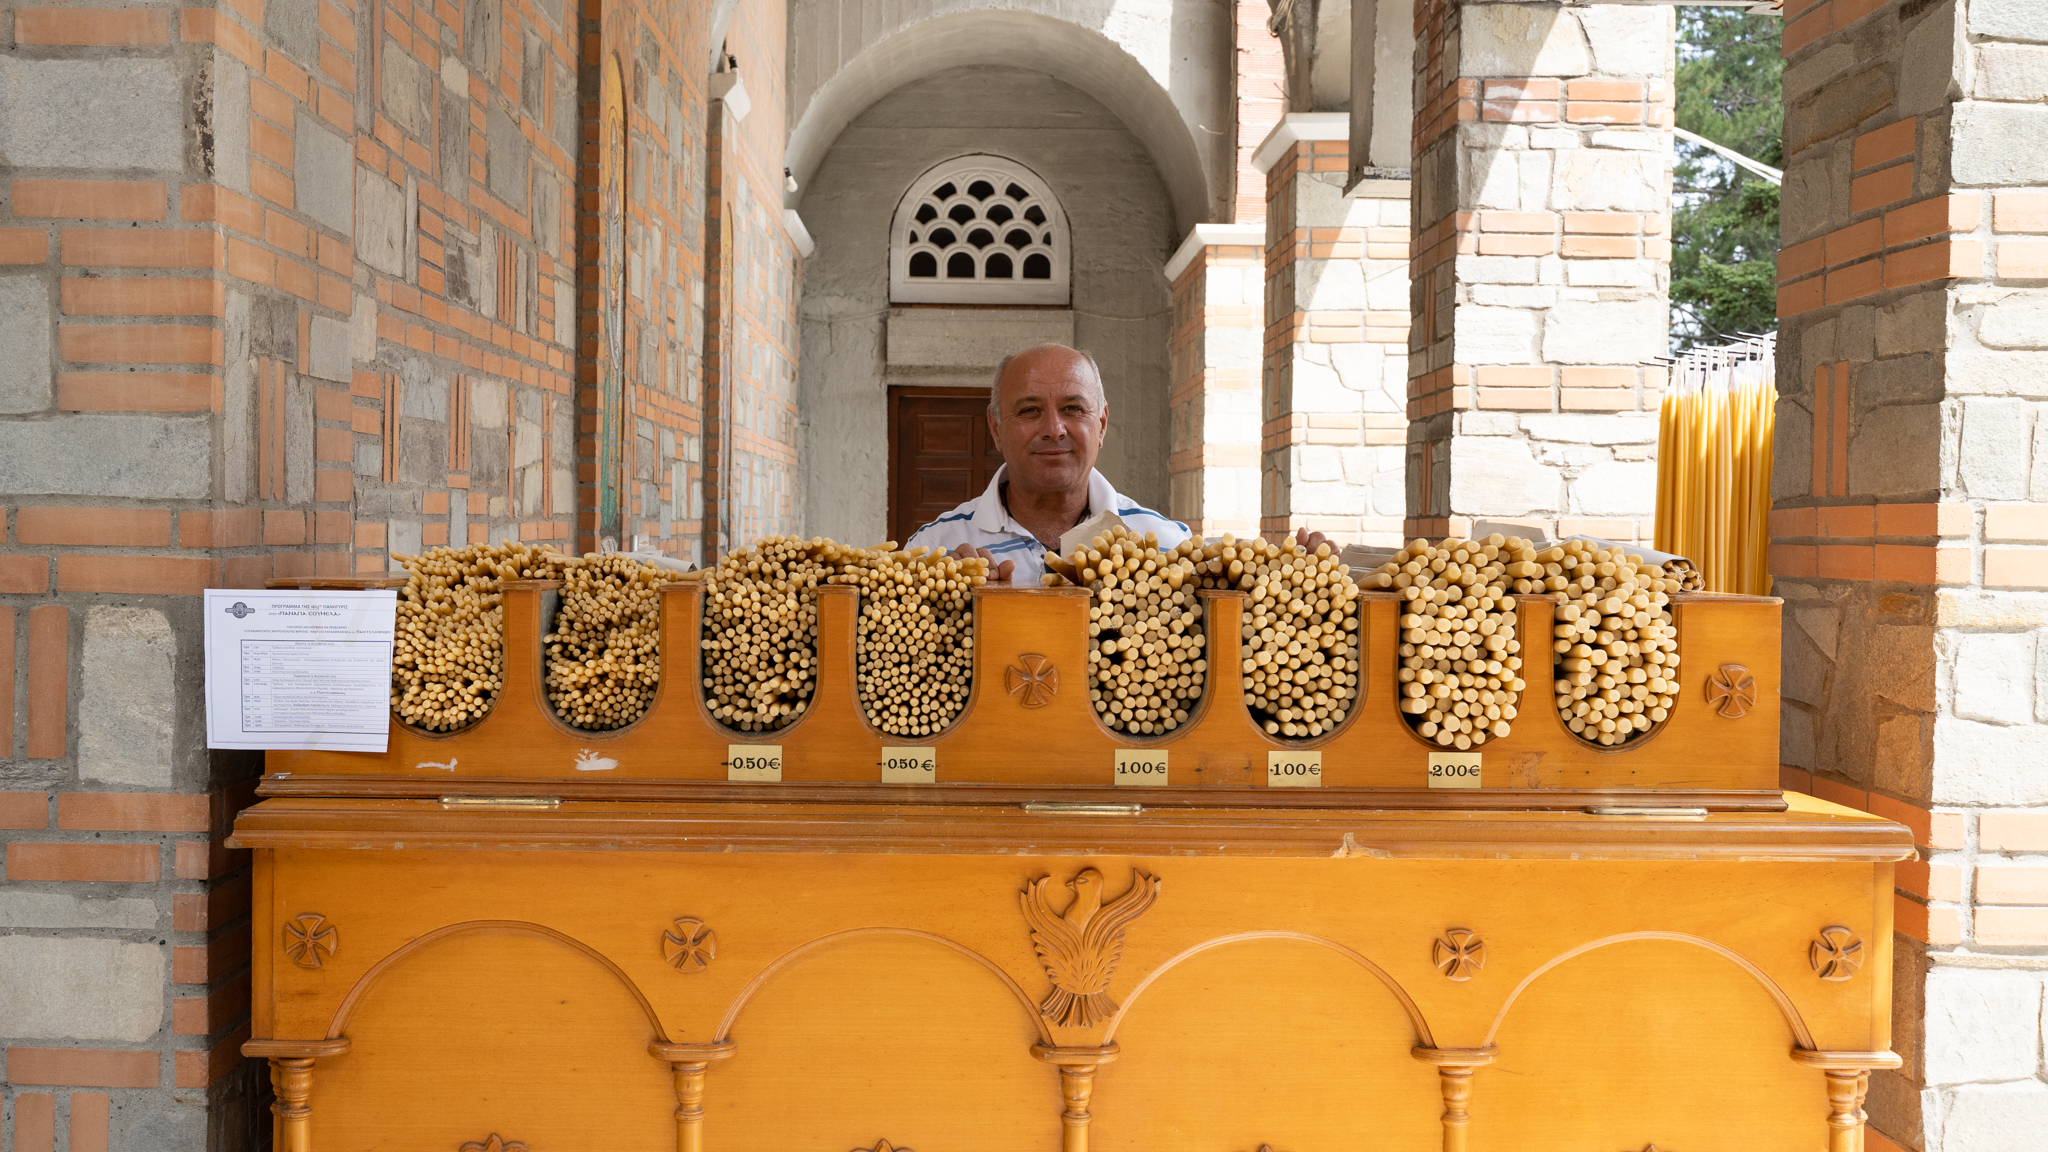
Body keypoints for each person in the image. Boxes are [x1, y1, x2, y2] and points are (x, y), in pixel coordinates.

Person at [905, 343, 1326, 583]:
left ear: (1102, 424)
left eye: (1073, 409)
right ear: (996, 427)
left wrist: (1290, 580)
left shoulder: (1167, 546)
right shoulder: (932, 550)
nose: (1054, 429)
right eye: (1030, 411)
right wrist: (951, 611)